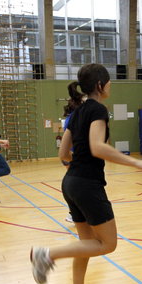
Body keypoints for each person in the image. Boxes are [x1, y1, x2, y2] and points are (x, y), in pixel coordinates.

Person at [29, 63, 142, 284]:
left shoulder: (77, 112)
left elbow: (63, 153)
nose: (111, 85)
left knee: (86, 243)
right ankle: (47, 255)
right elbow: (97, 147)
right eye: (110, 81)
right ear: (101, 85)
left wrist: (79, 166)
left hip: (70, 182)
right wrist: (136, 162)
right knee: (108, 244)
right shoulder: (98, 110)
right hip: (86, 185)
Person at [61, 95, 83, 223]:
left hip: (71, 156)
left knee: (76, 185)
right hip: (73, 156)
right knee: (77, 185)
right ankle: (74, 213)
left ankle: (75, 213)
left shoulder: (71, 118)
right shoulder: (75, 119)